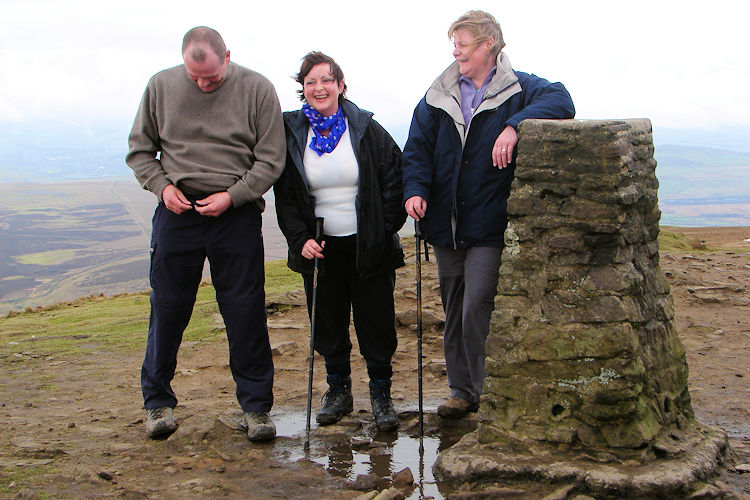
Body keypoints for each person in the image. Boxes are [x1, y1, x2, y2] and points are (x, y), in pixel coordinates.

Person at [402, 11, 575, 419]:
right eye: (455, 43)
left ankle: (483, 389)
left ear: (489, 45)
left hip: (488, 222)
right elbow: (417, 150)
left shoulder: (519, 89)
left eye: (463, 42)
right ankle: (462, 392)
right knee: (453, 307)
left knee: (477, 304)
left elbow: (562, 100)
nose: (456, 50)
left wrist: (515, 125)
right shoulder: (438, 93)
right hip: (444, 222)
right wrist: (415, 190)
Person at [126, 26, 286, 441]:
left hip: (235, 215)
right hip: (177, 212)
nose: (202, 84)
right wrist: (163, 187)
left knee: (245, 310)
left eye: (210, 78)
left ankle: (256, 409)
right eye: (194, 77)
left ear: (227, 56)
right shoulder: (160, 86)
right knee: (168, 308)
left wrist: (232, 197)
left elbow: (271, 160)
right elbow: (140, 151)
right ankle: (157, 403)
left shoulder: (258, 89)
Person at [274, 51, 406, 431]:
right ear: (302, 89)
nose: (319, 88)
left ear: (341, 85)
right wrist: (300, 239)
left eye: (326, 80)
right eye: (311, 82)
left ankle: (381, 394)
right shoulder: (291, 130)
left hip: (369, 247)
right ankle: (339, 392)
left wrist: (383, 230)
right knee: (328, 322)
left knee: (376, 322)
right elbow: (286, 193)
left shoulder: (365, 128)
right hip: (320, 247)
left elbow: (394, 178)